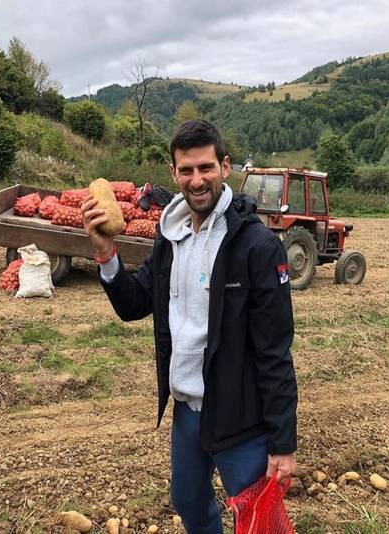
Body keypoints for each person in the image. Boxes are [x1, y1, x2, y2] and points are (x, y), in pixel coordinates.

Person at [81, 119, 297, 534]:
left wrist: (283, 444)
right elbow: (135, 303)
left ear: (225, 166)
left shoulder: (257, 247)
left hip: (241, 417)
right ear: (173, 173)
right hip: (188, 412)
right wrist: (106, 253)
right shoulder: (170, 236)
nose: (196, 180)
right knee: (188, 501)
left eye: (205, 168)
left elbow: (274, 353)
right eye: (186, 170)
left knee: (255, 519)